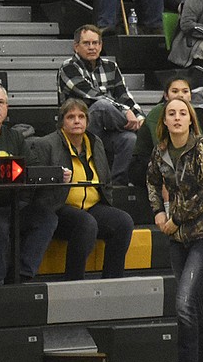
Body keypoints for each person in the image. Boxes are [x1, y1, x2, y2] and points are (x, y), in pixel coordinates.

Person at [145, 97, 203, 362]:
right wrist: (157, 213)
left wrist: (176, 218)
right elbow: (152, 182)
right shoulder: (160, 151)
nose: (177, 118)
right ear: (163, 121)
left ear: (191, 119)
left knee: (184, 303)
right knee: (196, 306)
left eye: (182, 113)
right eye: (171, 114)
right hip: (177, 238)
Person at [39, 98, 135, 280]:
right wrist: (57, 178)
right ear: (62, 122)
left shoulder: (95, 142)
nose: (77, 121)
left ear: (87, 121)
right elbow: (39, 187)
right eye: (71, 117)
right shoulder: (48, 144)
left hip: (91, 205)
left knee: (124, 221)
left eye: (81, 116)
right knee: (87, 223)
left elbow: (105, 179)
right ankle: (74, 281)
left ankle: (112, 280)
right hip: (60, 208)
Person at [0, 83, 58, 284]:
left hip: (12, 204)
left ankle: (20, 276)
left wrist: (58, 174)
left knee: (46, 218)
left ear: (7, 108)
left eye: (1, 102)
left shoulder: (14, 136)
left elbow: (32, 167)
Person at [57, 25, 144, 184]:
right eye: (87, 43)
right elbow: (93, 95)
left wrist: (139, 116)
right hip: (79, 126)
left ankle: (117, 184)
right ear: (76, 46)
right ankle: (143, 132)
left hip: (108, 128)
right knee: (102, 105)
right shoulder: (68, 67)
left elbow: (123, 95)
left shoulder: (111, 67)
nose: (92, 47)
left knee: (129, 139)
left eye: (96, 43)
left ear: (101, 45)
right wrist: (125, 112)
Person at [130, 74, 191, 184]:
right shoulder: (157, 112)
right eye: (175, 91)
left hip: (177, 162)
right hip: (145, 164)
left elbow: (198, 142)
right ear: (166, 96)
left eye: (185, 91)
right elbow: (160, 149)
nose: (180, 95)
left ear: (190, 96)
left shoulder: (191, 113)